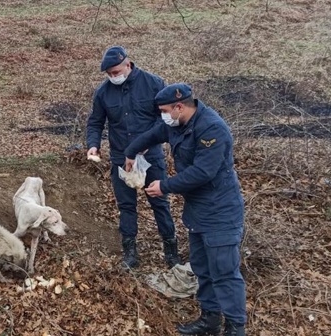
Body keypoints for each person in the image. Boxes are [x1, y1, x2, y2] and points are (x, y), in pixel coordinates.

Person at [124, 83, 246, 336]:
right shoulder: (177, 124)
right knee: (201, 268)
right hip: (197, 211)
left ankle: (235, 327)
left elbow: (204, 171)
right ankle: (210, 319)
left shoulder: (211, 129)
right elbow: (154, 133)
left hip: (221, 210)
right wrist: (131, 151)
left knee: (224, 272)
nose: (163, 116)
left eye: (165, 110)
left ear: (179, 107)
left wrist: (165, 186)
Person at [86, 46, 181, 269]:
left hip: (151, 158)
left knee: (160, 203)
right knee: (126, 206)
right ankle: (130, 252)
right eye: (109, 74)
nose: (113, 77)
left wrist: (146, 144)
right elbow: (96, 122)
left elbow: (166, 118)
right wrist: (93, 145)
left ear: (128, 65)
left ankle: (171, 251)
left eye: (116, 72)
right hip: (121, 158)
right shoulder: (103, 93)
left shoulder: (154, 84)